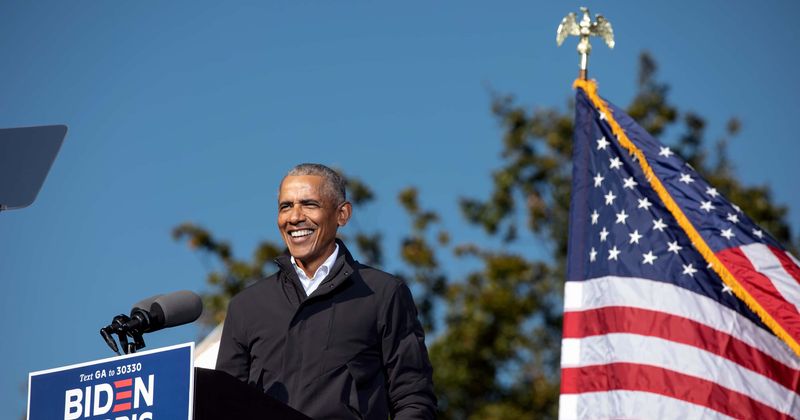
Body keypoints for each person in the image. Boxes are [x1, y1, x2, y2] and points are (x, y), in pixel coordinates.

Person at [216, 163, 437, 419]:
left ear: (342, 214)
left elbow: (413, 399)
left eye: (309, 204)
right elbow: (222, 405)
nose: (294, 217)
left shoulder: (383, 293)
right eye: (285, 206)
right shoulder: (247, 306)